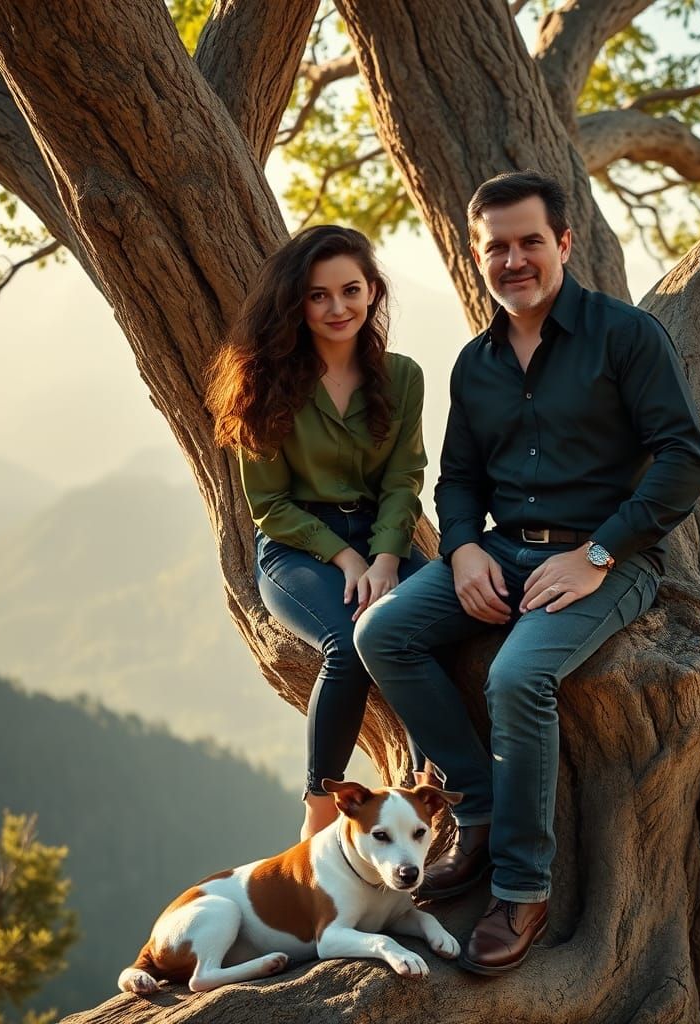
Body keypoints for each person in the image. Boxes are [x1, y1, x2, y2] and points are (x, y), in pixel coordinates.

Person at [354, 171, 700, 975]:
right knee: (382, 634)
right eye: (497, 247)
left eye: (529, 242)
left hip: (609, 560)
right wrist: (462, 548)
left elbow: (685, 461)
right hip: (502, 549)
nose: (513, 260)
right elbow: (457, 479)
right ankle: (476, 808)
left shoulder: (627, 336)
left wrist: (596, 556)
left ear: (564, 243)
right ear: (475, 254)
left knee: (517, 677)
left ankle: (521, 890)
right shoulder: (474, 363)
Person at [207, 225, 431, 841]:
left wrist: (385, 558)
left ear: (372, 291)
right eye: (318, 295)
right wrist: (346, 560)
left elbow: (404, 478)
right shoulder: (263, 381)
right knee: (349, 645)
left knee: (427, 630)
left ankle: (424, 790)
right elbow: (269, 505)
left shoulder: (402, 376)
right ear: (296, 303)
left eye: (350, 290)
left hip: (384, 536)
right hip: (299, 546)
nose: (338, 308)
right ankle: (319, 805)